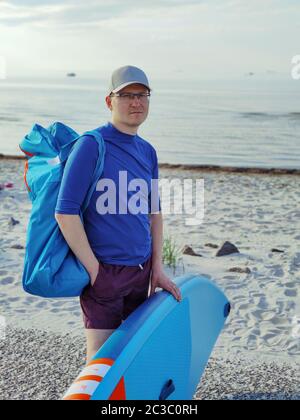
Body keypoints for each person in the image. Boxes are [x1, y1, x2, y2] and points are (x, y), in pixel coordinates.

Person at [55, 65, 181, 364]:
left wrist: (158, 269)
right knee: (101, 361)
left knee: (137, 356)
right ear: (109, 101)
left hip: (143, 272)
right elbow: (66, 212)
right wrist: (95, 271)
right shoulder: (91, 145)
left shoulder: (147, 151)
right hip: (105, 272)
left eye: (142, 94)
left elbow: (155, 214)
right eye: (126, 95)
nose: (136, 102)